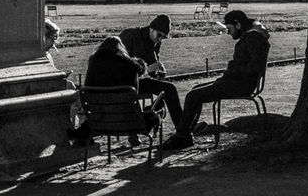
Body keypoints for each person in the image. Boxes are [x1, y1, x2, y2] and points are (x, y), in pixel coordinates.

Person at [162, 9, 270, 151]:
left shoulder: (252, 38)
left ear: (238, 25)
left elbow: (254, 66)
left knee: (193, 96)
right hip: (236, 82)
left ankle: (183, 136)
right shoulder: (253, 36)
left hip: (239, 85)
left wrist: (233, 70)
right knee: (195, 91)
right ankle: (185, 132)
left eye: (229, 29)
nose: (228, 32)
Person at [70, 36, 158, 147]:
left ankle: (82, 136)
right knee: (153, 116)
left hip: (98, 120)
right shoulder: (128, 64)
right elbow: (139, 71)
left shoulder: (93, 61)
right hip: (127, 121)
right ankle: (133, 135)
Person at [117, 14, 182, 125]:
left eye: (163, 37)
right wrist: (146, 69)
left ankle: (182, 129)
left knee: (169, 88)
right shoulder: (129, 36)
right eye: (159, 35)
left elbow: (153, 69)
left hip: (140, 82)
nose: (160, 39)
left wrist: (159, 74)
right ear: (152, 29)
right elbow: (119, 67)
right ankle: (148, 118)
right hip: (124, 83)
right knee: (166, 90)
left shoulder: (155, 42)